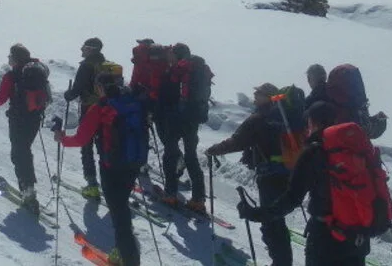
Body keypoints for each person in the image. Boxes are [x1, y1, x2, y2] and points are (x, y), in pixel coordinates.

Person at [237, 102, 372, 266]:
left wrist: (256, 214)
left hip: (325, 238)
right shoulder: (359, 150)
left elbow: (291, 199)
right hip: (359, 238)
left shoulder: (314, 152)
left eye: (308, 123)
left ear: (314, 123)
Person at [56, 62, 146, 266]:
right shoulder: (132, 102)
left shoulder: (101, 108)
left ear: (100, 88)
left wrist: (62, 139)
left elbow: (81, 139)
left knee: (119, 213)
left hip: (111, 167)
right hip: (133, 163)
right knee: (121, 208)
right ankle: (123, 250)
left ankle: (128, 258)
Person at [205, 83, 302, 266]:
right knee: (276, 218)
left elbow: (237, 141)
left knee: (271, 223)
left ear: (269, 97)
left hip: (270, 174)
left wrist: (213, 150)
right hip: (290, 172)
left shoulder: (259, 119)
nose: (255, 96)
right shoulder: (287, 117)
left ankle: (281, 263)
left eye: (259, 93)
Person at [0, 43, 52, 212]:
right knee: (25, 150)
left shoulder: (12, 75)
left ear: (15, 59)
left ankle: (28, 190)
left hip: (18, 120)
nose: (8, 59)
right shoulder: (38, 72)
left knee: (18, 153)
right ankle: (28, 187)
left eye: (10, 57)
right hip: (35, 119)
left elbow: (0, 99)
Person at [157, 42, 210, 212]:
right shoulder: (199, 69)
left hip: (176, 118)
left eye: (172, 53)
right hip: (193, 118)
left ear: (177, 55)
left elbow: (166, 95)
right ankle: (198, 199)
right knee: (191, 156)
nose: (169, 56)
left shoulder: (177, 70)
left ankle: (170, 194)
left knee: (170, 155)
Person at [63, 37, 106, 198]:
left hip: (89, 109)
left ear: (90, 49)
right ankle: (109, 182)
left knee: (86, 145)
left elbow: (77, 89)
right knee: (104, 146)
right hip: (106, 109)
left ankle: (92, 184)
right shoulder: (106, 65)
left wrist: (68, 95)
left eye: (84, 47)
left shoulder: (86, 66)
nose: (81, 50)